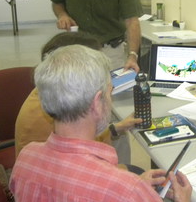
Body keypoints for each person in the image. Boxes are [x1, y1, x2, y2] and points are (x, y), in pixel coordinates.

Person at [10, 45, 192, 202]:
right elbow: (113, 195)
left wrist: (133, 189)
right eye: (109, 92)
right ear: (97, 103)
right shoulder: (126, 193)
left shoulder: (26, 158)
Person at [15, 32, 139, 167]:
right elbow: (86, 164)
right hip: (70, 173)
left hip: (57, 170)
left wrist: (116, 128)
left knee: (119, 136)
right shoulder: (50, 113)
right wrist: (131, 179)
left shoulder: (52, 94)